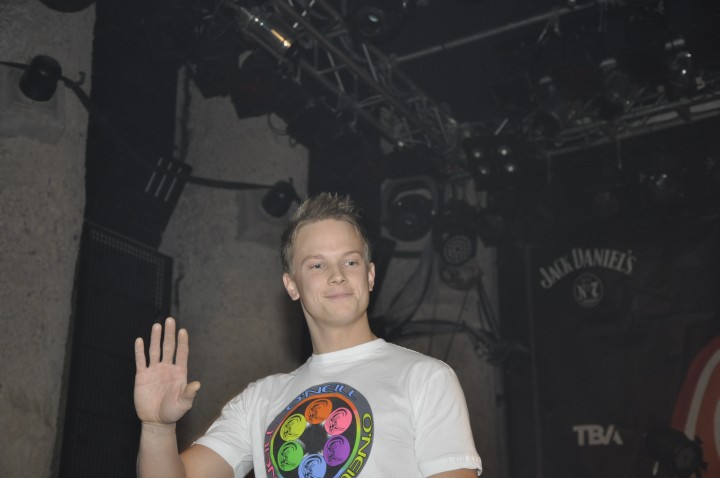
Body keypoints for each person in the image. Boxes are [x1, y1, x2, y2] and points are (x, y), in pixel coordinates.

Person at [134, 192, 483, 478]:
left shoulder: (425, 378)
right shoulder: (259, 401)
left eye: (350, 261)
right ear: (292, 285)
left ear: (370, 275)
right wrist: (156, 427)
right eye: (317, 265)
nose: (337, 275)